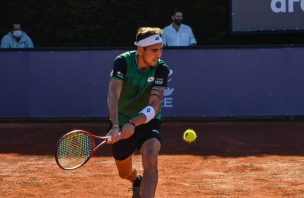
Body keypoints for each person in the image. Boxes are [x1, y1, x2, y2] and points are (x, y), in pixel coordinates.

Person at [106, 27, 169, 198]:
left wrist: (133, 123)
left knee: (150, 157)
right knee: (124, 172)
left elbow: (155, 105)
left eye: (161, 49)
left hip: (147, 120)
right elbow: (113, 94)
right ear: (141, 50)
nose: (159, 54)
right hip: (121, 120)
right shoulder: (122, 62)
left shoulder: (161, 68)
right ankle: (136, 180)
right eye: (154, 50)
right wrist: (116, 125)